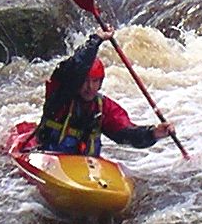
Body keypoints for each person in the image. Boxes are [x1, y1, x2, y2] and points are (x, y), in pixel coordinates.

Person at [32, 25, 176, 156]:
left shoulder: (103, 107)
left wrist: (154, 133)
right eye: (85, 81)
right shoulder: (61, 96)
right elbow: (75, 66)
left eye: (94, 81)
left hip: (83, 167)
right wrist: (96, 40)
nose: (89, 87)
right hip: (49, 156)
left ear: (100, 83)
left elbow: (125, 134)